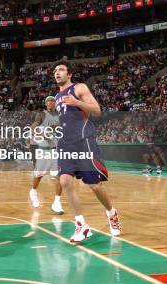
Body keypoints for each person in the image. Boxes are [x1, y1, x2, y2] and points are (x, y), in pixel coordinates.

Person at [53, 60, 122, 244]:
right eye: (55, 71)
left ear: (70, 74)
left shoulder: (79, 88)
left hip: (84, 142)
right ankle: (81, 224)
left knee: (94, 185)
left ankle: (111, 213)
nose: (57, 73)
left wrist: (76, 102)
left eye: (60, 70)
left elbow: (97, 111)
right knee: (65, 181)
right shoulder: (57, 96)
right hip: (66, 144)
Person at [28, 96, 64, 214]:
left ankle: (57, 203)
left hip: (56, 150)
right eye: (48, 100)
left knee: (58, 176)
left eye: (52, 100)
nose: (50, 102)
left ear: (55, 103)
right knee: (39, 175)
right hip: (44, 149)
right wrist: (40, 133)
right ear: (45, 103)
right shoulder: (41, 114)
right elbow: (34, 126)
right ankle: (33, 191)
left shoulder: (60, 115)